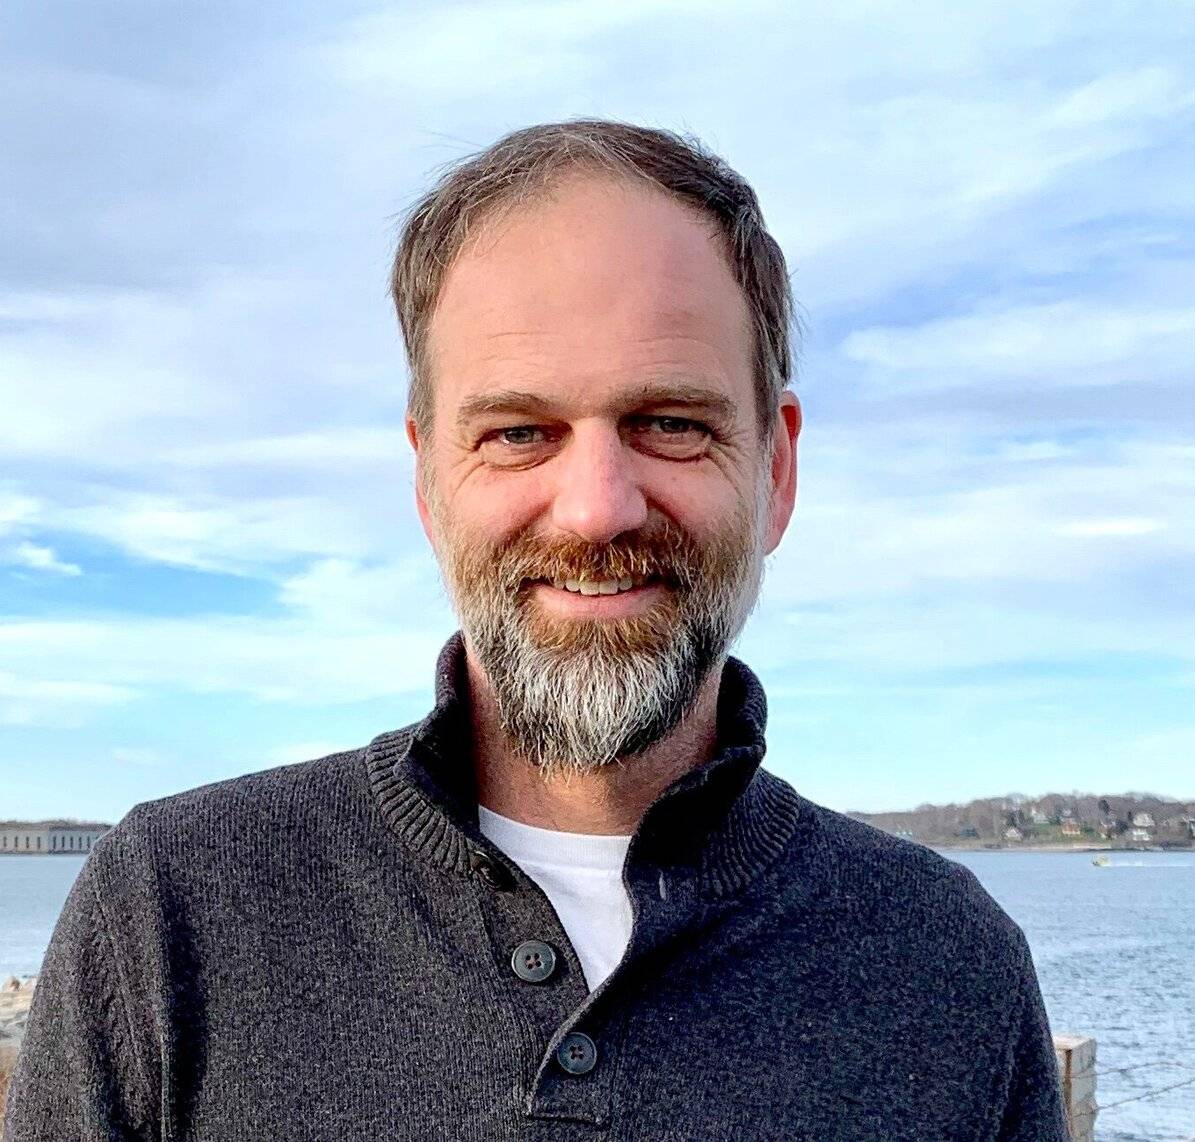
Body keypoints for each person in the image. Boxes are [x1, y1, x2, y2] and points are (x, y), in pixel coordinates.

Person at [3, 121, 1067, 1141]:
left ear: (776, 470)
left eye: (671, 424)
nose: (597, 506)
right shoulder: (170, 909)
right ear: (428, 479)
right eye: (519, 432)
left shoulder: (948, 961)